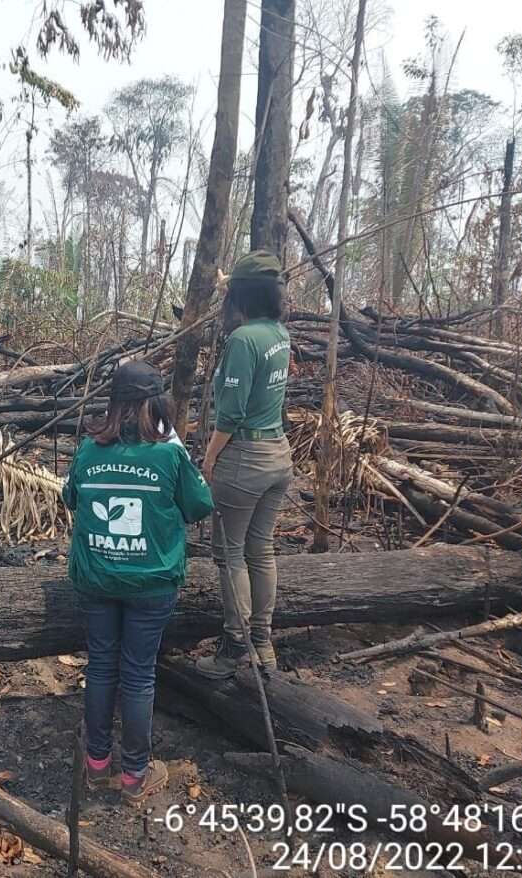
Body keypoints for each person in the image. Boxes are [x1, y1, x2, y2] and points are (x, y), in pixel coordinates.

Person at [62, 361, 214, 805]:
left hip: (97, 578)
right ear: (158, 404)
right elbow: (200, 504)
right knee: (138, 673)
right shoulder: (169, 453)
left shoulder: (89, 449)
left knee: (102, 665)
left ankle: (95, 764)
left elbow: (68, 496)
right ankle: (134, 775)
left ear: (114, 404)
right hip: (151, 583)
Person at [196, 249, 293, 679]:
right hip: (278, 454)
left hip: (245, 458)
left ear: (242, 295)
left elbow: (230, 412)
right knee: (261, 549)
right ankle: (263, 643)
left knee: (230, 554)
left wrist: (211, 455)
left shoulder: (243, 340)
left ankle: (236, 644)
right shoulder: (278, 333)